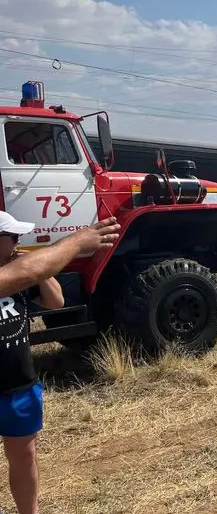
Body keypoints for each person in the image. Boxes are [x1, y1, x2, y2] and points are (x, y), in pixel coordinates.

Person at [0, 212, 120, 514]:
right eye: (13, 237)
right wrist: (73, 244)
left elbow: (56, 303)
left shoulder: (21, 275)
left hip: (18, 385)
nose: (19, 243)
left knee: (25, 456)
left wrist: (38, 270)